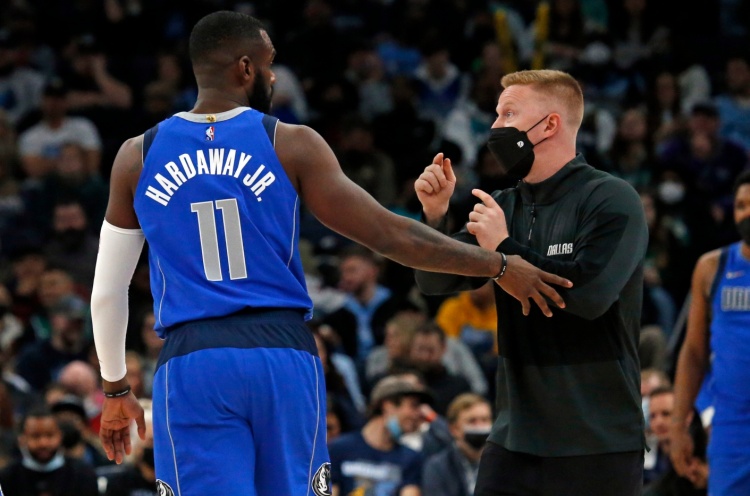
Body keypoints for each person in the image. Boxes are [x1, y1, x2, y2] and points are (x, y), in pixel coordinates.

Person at [89, 11, 571, 496]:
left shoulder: (137, 155)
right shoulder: (290, 143)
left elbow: (107, 292)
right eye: (268, 64)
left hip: (194, 359)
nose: (273, 76)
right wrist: (499, 265)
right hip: (281, 350)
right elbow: (390, 235)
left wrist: (115, 389)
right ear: (245, 68)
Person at [414, 69, 649, 495]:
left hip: (598, 440)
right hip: (514, 439)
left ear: (549, 124)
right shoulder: (502, 206)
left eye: (508, 114)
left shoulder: (611, 198)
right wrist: (434, 217)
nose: (495, 127)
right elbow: (434, 281)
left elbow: (588, 297)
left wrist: (503, 248)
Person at [670, 169, 750, 495]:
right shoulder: (712, 267)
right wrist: (678, 425)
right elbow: (693, 353)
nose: (746, 213)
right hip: (731, 429)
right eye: (741, 205)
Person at [328, 374, 429, 496]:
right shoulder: (339, 449)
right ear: (388, 405)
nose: (418, 414)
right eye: (414, 406)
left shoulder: (411, 458)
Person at [0, 405, 99, 496]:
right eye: (35, 436)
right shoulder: (7, 478)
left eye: (49, 435)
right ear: (22, 439)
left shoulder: (83, 474)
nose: (43, 443)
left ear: (60, 436)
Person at [422, 393, 493, 496]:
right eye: (472, 421)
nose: (480, 426)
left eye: (485, 420)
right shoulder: (437, 468)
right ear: (454, 429)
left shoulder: (500, 465)